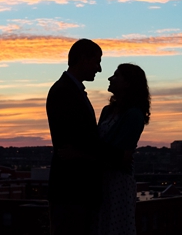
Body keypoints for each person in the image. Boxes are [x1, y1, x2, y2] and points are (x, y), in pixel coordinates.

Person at [46, 38, 104, 234]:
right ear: (83, 59)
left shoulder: (69, 90)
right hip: (72, 191)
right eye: (96, 61)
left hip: (74, 191)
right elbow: (81, 141)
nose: (99, 69)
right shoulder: (64, 92)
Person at [95, 63, 150, 234]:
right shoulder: (107, 111)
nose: (110, 78)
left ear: (128, 83)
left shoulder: (134, 115)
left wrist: (95, 148)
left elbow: (121, 154)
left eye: (116, 75)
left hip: (118, 181)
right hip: (101, 179)